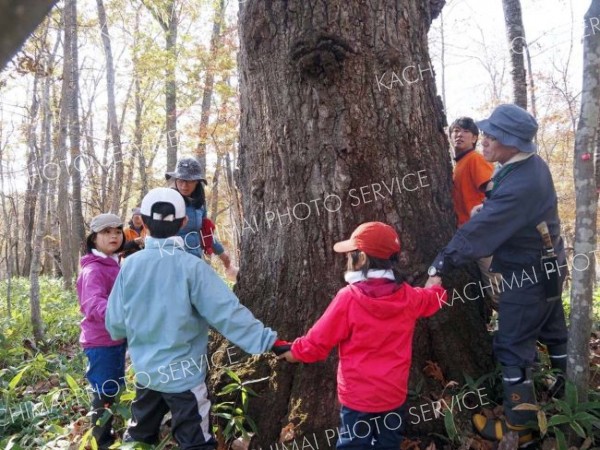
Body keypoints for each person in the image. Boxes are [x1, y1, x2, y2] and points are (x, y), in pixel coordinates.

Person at [426, 104, 568, 446]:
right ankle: (566, 392)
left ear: (514, 143)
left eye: (494, 136)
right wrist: (487, 206)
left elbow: (481, 232)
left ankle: (522, 427)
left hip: (529, 275)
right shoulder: (525, 166)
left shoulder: (523, 180)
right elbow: (502, 205)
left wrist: (439, 265)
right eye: (487, 133)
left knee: (512, 346)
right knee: (553, 331)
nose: (485, 139)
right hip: (548, 267)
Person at [105, 188, 285, 449]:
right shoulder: (192, 267)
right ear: (184, 222)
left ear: (142, 222)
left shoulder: (130, 265)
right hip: (184, 380)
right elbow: (228, 314)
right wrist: (270, 342)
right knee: (196, 442)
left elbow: (115, 323)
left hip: (146, 374)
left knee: (139, 437)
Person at [279, 222, 446, 450]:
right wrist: (435, 287)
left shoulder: (348, 298)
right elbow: (431, 301)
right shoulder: (408, 297)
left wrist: (294, 352)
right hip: (392, 394)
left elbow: (318, 341)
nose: (348, 256)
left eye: (351, 252)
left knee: (354, 444)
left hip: (358, 397)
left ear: (362, 259)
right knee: (388, 442)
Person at [77, 213, 127, 449]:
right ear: (94, 238)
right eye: (106, 232)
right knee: (104, 391)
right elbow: (93, 303)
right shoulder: (93, 270)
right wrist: (122, 314)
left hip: (116, 338)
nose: (114, 236)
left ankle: (109, 430)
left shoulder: (115, 263)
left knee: (114, 386)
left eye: (117, 231)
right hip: (100, 341)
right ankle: (101, 440)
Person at [449, 117, 500, 305]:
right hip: (468, 236)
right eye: (455, 131)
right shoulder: (459, 164)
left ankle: (524, 331)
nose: (459, 134)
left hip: (483, 234)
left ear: (474, 138)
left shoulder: (475, 159)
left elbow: (495, 191)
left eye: (465, 131)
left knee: (498, 293)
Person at [166, 157, 238, 279]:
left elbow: (205, 233)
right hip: (173, 262)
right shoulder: (168, 202)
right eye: (181, 180)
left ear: (197, 182)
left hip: (195, 260)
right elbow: (157, 233)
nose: (184, 185)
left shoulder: (199, 205)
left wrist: (222, 254)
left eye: (189, 181)